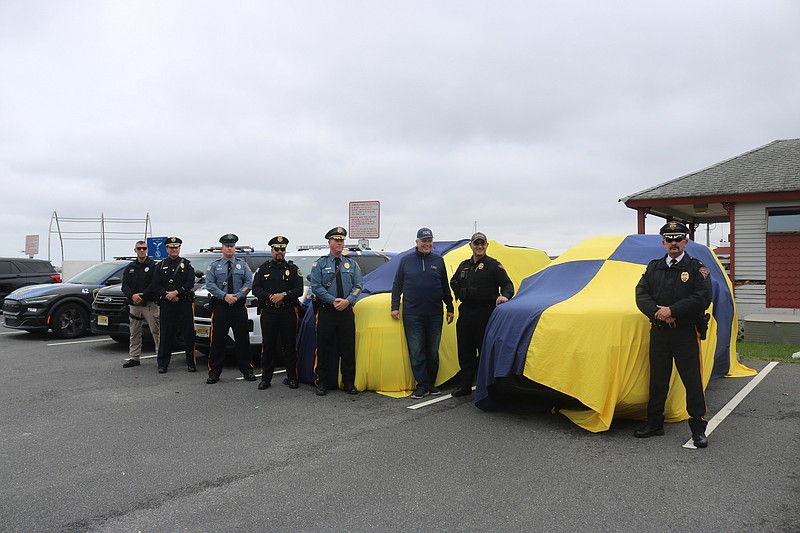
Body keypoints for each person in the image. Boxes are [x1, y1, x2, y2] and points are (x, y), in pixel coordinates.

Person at [634, 221, 712, 448]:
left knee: (692, 382)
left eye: (678, 239)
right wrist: (658, 313)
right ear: (663, 243)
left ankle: (698, 428)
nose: (674, 243)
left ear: (685, 242)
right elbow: (641, 294)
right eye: (669, 239)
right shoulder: (654, 267)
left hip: (685, 333)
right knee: (657, 380)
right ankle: (655, 423)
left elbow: (702, 297)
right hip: (659, 332)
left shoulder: (697, 268)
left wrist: (673, 311)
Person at [391, 227, 454, 399]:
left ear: (432, 242)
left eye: (429, 241)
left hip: (434, 313)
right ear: (417, 242)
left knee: (432, 351)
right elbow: (397, 285)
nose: (427, 244)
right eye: (423, 241)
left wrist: (450, 307)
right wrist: (394, 306)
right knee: (417, 351)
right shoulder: (406, 260)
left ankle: (431, 384)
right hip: (413, 314)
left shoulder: (438, 260)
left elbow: (444, 286)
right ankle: (421, 385)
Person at [449, 232, 514, 397]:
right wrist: (460, 292)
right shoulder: (464, 265)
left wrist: (504, 296)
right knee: (465, 351)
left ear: (486, 246)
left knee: (485, 351)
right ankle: (465, 386)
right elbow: (454, 281)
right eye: (476, 244)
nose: (479, 247)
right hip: (466, 312)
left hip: (485, 312)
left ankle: (488, 387)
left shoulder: (493, 265)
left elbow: (507, 284)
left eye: (482, 244)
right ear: (471, 245)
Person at [310, 227, 363, 396]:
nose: (340, 243)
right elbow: (316, 287)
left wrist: (348, 301)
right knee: (324, 348)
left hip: (346, 311)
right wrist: (332, 300)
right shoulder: (320, 263)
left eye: (342, 240)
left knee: (348, 349)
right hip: (327, 311)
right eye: (336, 240)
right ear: (329, 243)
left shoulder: (352, 264)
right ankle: (322, 382)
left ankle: (349, 383)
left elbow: (358, 286)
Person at [252, 235, 304, 390]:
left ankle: (292, 378)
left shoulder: (293, 269)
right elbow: (255, 288)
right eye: (276, 249)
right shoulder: (263, 269)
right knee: (268, 346)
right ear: (272, 250)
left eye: (282, 249)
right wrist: (270, 297)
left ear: (285, 251)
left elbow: (299, 290)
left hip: (287, 312)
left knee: (289, 346)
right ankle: (266, 379)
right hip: (269, 312)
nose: (279, 252)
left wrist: (284, 296)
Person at [204, 233, 255, 384]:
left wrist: (238, 295)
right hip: (221, 307)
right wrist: (224, 296)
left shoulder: (242, 265)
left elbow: (248, 282)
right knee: (218, 341)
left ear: (235, 248)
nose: (229, 249)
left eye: (232, 246)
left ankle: (247, 370)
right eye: (227, 246)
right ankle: (214, 372)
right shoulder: (214, 266)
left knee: (242, 340)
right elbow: (210, 284)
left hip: (238, 307)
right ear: (222, 248)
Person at [149, 236, 196, 374]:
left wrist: (176, 292)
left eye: (176, 247)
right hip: (167, 304)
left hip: (183, 304)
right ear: (167, 249)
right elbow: (155, 284)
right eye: (171, 247)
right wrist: (167, 295)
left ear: (179, 248)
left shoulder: (186, 265)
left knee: (188, 335)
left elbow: (190, 283)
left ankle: (191, 363)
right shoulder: (160, 265)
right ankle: (163, 364)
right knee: (165, 334)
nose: (174, 250)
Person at [122, 240, 160, 368]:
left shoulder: (154, 266)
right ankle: (134, 357)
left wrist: (142, 296)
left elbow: (155, 284)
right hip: (134, 304)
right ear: (135, 250)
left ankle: (161, 357)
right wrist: (132, 296)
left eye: (144, 248)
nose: (142, 251)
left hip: (149, 304)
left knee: (156, 332)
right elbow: (125, 285)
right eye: (139, 248)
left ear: (147, 250)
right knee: (134, 333)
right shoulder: (130, 267)